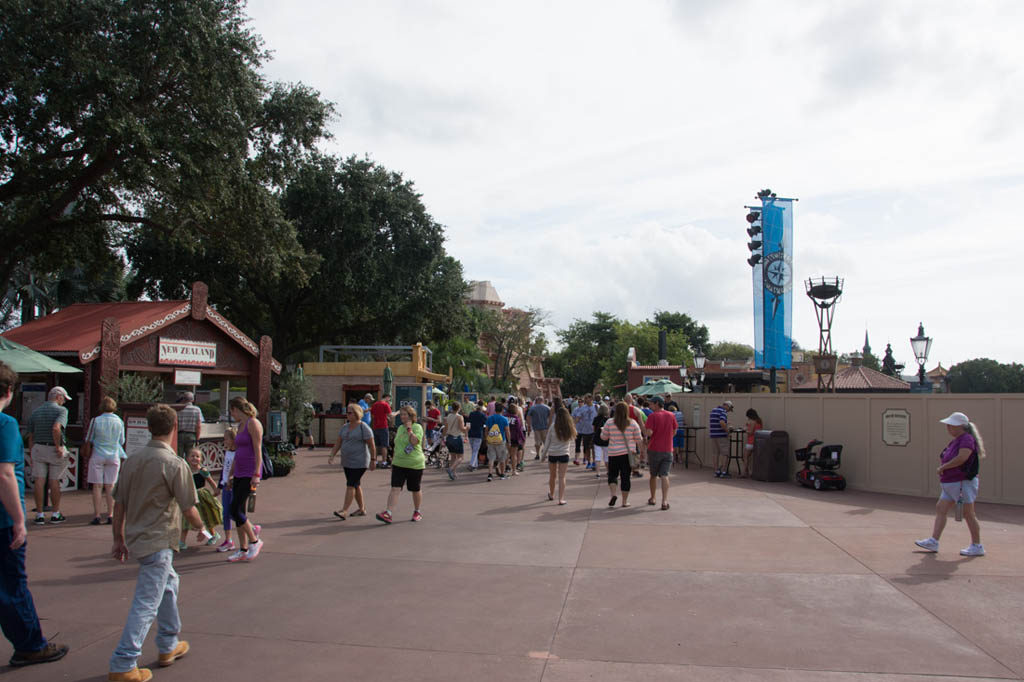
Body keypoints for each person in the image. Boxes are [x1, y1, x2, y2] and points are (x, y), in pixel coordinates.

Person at [109, 403, 203, 681]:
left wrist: (117, 538)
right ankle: (124, 662)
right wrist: (203, 528)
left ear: (149, 427)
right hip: (160, 539)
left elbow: (119, 505)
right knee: (147, 601)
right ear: (174, 428)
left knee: (169, 585)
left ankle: (168, 643)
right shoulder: (174, 463)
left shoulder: (132, 461)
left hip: (138, 537)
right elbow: (188, 507)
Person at [0, 361, 69, 668]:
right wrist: (18, 520)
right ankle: (30, 644)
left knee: (40, 480)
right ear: (9, 391)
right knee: (12, 583)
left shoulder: (34, 415)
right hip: (2, 517)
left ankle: (40, 509)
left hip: (35, 451)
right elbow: (3, 475)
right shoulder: (5, 424)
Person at [915, 412, 987, 557]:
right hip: (951, 483)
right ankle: (933, 541)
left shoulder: (966, 439)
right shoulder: (957, 440)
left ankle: (977, 545)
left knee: (968, 513)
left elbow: (962, 458)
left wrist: (943, 467)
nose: (948, 427)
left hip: (962, 482)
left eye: (950, 425)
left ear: (960, 426)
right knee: (941, 508)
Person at [225, 397, 263, 563]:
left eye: (231, 411)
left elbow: (258, 450)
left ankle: (255, 540)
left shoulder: (252, 424)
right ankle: (243, 548)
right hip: (239, 472)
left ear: (236, 409)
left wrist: (256, 474)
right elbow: (236, 452)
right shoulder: (240, 425)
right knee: (239, 511)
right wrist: (230, 474)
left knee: (234, 510)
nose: (231, 415)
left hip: (249, 472)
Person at [26, 386, 71, 525]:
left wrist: (32, 452)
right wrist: (58, 446)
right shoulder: (62, 410)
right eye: (63, 398)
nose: (64, 402)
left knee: (39, 481)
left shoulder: (36, 412)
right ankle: (55, 514)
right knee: (54, 481)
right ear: (58, 397)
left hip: (38, 448)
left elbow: (30, 436)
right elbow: (56, 428)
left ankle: (39, 514)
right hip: (53, 449)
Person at [376, 406, 425, 524]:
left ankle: (417, 511)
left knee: (415, 488)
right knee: (395, 488)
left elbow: (414, 442)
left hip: (414, 463)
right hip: (399, 463)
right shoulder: (400, 428)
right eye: (401, 414)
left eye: (405, 414)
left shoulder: (417, 427)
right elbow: (397, 446)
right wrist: (393, 461)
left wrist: (409, 430)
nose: (402, 417)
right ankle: (388, 513)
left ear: (411, 416)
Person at [330, 404, 375, 520]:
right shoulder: (345, 427)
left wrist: (373, 460)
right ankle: (361, 509)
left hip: (360, 462)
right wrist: (332, 455)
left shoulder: (363, 427)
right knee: (356, 485)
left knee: (350, 485)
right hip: (347, 462)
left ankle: (344, 510)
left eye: (350, 413)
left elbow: (371, 444)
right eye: (347, 413)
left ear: (357, 414)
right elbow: (338, 442)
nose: (347, 415)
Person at [87, 396, 126, 525]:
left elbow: (90, 438)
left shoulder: (95, 421)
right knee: (111, 486)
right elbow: (122, 440)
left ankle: (97, 515)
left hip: (98, 454)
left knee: (97, 486)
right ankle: (110, 514)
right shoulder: (119, 421)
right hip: (114, 454)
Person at [601, 402, 643, 508]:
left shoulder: (609, 422)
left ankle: (613, 494)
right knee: (625, 477)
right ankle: (624, 501)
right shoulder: (632, 423)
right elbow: (639, 439)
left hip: (613, 453)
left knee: (613, 475)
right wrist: (641, 452)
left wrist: (603, 432)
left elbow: (603, 437)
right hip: (627, 454)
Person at [179, 448, 221, 550]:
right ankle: (182, 542)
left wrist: (216, 489)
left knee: (204, 520)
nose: (195, 458)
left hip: (201, 497)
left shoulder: (202, 471)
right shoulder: (186, 470)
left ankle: (212, 535)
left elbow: (210, 481)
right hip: (190, 497)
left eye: (197, 456)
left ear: (201, 459)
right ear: (187, 458)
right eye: (192, 456)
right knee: (185, 520)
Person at [644, 396, 675, 510]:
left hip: (654, 449)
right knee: (665, 475)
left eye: (651, 404)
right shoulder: (671, 415)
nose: (650, 406)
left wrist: (644, 430)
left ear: (657, 404)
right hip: (668, 449)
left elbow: (650, 433)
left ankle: (653, 498)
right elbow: (674, 430)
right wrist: (668, 438)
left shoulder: (652, 416)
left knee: (653, 475)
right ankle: (665, 501)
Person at [541, 407, 576, 505]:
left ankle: (552, 494)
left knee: (552, 476)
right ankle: (561, 498)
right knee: (562, 476)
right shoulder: (569, 426)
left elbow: (547, 442)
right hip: (564, 453)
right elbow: (573, 437)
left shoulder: (553, 426)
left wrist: (543, 456)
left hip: (552, 453)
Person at [216, 428, 237, 553]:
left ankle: (251, 528)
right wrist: (219, 486)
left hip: (234, 486)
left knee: (235, 513)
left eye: (226, 439)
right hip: (225, 486)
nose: (225, 441)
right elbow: (224, 470)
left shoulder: (238, 453)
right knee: (226, 514)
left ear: (233, 439)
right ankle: (228, 540)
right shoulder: (227, 452)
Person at [484, 403, 510, 481]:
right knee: (502, 458)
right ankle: (502, 474)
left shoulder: (489, 418)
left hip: (491, 440)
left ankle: (490, 474)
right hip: (501, 440)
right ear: (502, 410)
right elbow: (507, 431)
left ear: (495, 410)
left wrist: (486, 439)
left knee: (491, 458)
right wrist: (509, 441)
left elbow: (486, 430)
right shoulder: (504, 419)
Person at [710, 400, 733, 478]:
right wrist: (727, 431)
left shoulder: (713, 410)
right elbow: (721, 422)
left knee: (715, 454)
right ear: (727, 406)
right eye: (729, 409)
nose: (728, 411)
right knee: (725, 454)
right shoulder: (723, 412)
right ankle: (724, 471)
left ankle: (716, 471)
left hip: (713, 434)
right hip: (721, 435)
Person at [370, 394, 395, 469]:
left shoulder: (375, 404)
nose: (389, 401)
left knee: (377, 445)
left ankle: (376, 461)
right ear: (387, 398)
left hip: (375, 426)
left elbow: (373, 416)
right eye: (389, 399)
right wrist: (397, 412)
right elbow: (391, 415)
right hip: (383, 426)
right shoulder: (385, 405)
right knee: (384, 445)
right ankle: (384, 462)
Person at [442, 403, 465, 480]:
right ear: (459, 408)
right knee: (460, 457)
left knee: (453, 456)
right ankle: (451, 469)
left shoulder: (448, 416)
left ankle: (453, 473)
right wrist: (467, 428)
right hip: (457, 438)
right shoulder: (459, 417)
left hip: (449, 438)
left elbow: (445, 428)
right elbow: (462, 429)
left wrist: (443, 437)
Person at [176, 392, 203, 458]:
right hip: (191, 435)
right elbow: (198, 426)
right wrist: (197, 439)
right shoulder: (197, 409)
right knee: (190, 456)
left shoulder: (178, 409)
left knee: (179, 456)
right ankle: (188, 468)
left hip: (180, 435)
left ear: (183, 399)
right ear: (192, 400)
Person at [574, 394, 597, 470]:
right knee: (587, 448)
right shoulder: (582, 408)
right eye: (585, 399)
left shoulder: (596, 407)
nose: (585, 400)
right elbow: (577, 418)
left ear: (591, 399)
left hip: (594, 431)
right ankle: (588, 462)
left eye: (586, 398)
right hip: (585, 431)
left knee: (593, 448)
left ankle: (594, 462)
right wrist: (573, 426)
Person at [527, 397, 551, 461]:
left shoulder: (532, 408)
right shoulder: (547, 408)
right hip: (545, 427)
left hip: (536, 427)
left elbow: (528, 417)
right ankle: (545, 454)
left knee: (537, 442)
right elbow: (551, 417)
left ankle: (537, 454)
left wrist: (529, 426)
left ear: (536, 401)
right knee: (545, 442)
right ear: (542, 400)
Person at [507, 398, 526, 474]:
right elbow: (519, 429)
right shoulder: (516, 419)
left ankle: (504, 467)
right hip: (514, 437)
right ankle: (514, 470)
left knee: (507, 453)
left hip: (506, 437)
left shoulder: (505, 416)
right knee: (514, 454)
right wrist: (522, 438)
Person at [466, 403, 487, 471]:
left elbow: (468, 423)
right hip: (478, 434)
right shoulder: (483, 415)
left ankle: (475, 465)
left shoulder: (471, 414)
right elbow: (486, 424)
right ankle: (472, 465)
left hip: (471, 433)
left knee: (473, 450)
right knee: (475, 450)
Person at [743, 408, 763, 478]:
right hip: (758, 442)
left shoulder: (752, 422)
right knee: (751, 458)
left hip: (751, 441)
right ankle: (749, 472)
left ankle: (745, 472)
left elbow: (750, 432)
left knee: (745, 457)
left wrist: (745, 430)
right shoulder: (759, 421)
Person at [591, 404, 610, 480]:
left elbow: (594, 429)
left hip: (597, 440)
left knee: (598, 457)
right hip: (606, 440)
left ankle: (598, 473)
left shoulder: (595, 419)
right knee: (606, 457)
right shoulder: (608, 420)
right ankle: (608, 471)